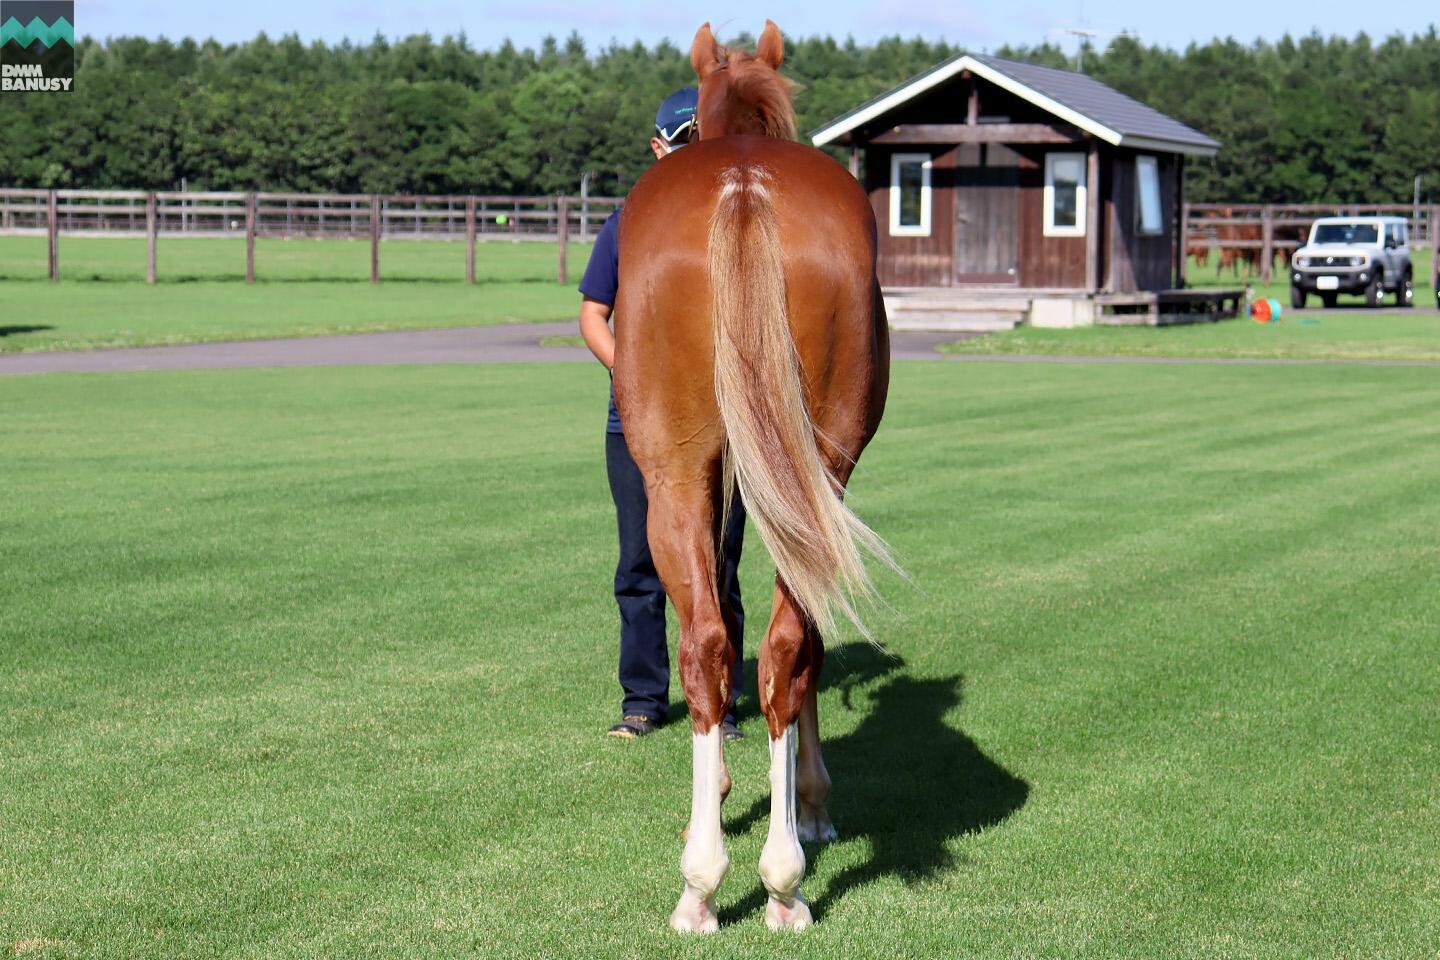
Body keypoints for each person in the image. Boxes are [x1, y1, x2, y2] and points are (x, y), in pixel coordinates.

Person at [577, 88, 746, 741]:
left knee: (720, 566)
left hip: (724, 425)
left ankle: (724, 704)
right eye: (683, 145)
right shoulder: (629, 222)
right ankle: (644, 701)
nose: (692, 157)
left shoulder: (734, 225)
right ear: (659, 148)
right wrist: (631, 374)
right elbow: (593, 313)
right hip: (638, 426)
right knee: (639, 566)